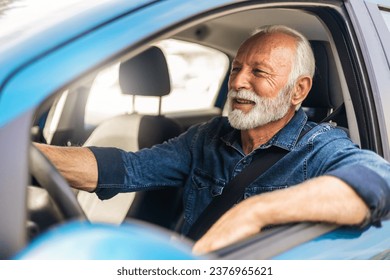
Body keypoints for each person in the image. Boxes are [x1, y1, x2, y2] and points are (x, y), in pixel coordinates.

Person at [36, 25, 390, 255]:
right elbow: (125, 168)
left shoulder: (319, 147)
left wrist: (255, 211)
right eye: (236, 68)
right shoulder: (208, 136)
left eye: (259, 72)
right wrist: (26, 153)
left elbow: (377, 180)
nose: (238, 83)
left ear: (298, 90)